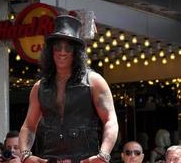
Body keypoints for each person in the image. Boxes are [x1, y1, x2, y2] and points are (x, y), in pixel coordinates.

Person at [19, 14, 119, 163]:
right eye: (57, 47)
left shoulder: (94, 82)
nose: (62, 52)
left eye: (68, 47)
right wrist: (25, 155)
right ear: (51, 50)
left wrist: (103, 155)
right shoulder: (40, 87)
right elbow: (28, 125)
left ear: (77, 51)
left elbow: (110, 120)